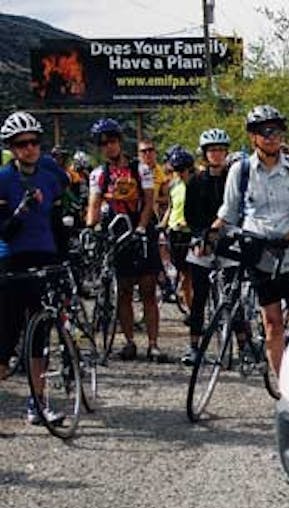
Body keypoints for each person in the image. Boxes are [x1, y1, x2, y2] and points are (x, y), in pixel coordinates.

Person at [216, 105, 289, 381]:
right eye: (265, 131)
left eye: (276, 131)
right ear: (253, 137)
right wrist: (208, 235)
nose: (272, 137)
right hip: (259, 256)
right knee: (272, 323)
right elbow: (228, 213)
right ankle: (285, 387)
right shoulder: (240, 171)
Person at [0, 111, 68, 424]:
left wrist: (67, 259)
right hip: (13, 260)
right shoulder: (4, 179)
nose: (29, 148)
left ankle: (37, 403)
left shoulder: (50, 175)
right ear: (11, 148)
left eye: (34, 142)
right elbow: (5, 231)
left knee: (40, 334)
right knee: (7, 336)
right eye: (21, 144)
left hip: (46, 256)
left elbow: (58, 220)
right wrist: (22, 209)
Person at [85, 118, 166, 362]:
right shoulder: (99, 174)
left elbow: (149, 201)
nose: (108, 147)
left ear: (119, 142)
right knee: (124, 291)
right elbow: (94, 205)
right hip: (116, 234)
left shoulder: (140, 169)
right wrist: (90, 228)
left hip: (140, 231)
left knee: (148, 289)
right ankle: (129, 342)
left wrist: (141, 228)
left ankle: (153, 344)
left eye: (111, 141)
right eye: (103, 144)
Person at [182, 128, 232, 365]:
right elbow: (190, 215)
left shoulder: (234, 179)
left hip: (230, 238)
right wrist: (201, 237)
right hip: (202, 240)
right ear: (205, 153)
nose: (216, 154)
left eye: (220, 150)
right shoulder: (195, 181)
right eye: (212, 150)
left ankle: (244, 345)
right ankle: (194, 346)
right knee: (199, 294)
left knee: (233, 294)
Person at [159, 147, 196, 316]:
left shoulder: (197, 184)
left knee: (192, 274)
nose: (180, 173)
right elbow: (171, 207)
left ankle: (196, 309)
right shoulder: (173, 185)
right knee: (183, 274)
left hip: (191, 232)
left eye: (183, 170)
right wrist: (162, 224)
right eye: (176, 170)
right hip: (175, 232)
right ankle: (190, 310)